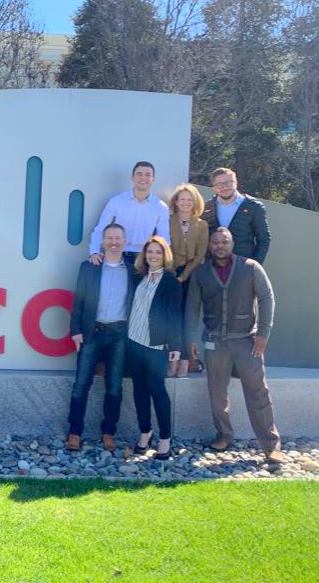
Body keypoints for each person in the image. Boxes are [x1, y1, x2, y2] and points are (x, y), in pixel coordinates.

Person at [185, 227, 286, 464]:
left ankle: (271, 446)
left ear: (232, 244)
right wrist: (190, 338)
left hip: (247, 341)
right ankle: (224, 435)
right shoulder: (200, 273)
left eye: (225, 241)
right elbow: (191, 308)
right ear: (210, 246)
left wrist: (263, 333)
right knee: (217, 393)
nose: (220, 245)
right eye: (216, 242)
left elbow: (266, 298)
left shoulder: (250, 267)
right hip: (214, 343)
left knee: (258, 393)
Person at [66, 223, 136, 452]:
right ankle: (75, 432)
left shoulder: (134, 269)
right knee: (81, 385)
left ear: (124, 241)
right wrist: (75, 330)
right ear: (103, 241)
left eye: (118, 238)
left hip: (119, 334)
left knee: (114, 386)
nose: (114, 242)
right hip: (91, 333)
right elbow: (78, 302)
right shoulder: (89, 267)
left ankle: (108, 433)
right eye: (109, 238)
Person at [127, 236, 182, 460]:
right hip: (133, 341)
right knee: (139, 390)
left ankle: (165, 438)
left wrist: (177, 346)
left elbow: (175, 314)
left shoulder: (170, 281)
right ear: (144, 254)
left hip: (156, 344)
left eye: (158, 252)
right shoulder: (138, 276)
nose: (153, 256)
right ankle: (145, 432)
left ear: (165, 255)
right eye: (150, 252)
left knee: (157, 390)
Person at [88, 161, 170, 268]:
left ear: (153, 179)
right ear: (132, 177)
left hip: (144, 259)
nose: (143, 178)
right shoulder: (116, 202)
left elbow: (164, 239)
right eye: (139, 174)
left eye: (148, 175)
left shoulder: (160, 207)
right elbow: (100, 229)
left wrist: (164, 263)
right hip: (117, 255)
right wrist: (94, 251)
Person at [167, 184, 209, 377]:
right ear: (176, 201)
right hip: (169, 272)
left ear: (195, 203)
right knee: (172, 317)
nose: (185, 202)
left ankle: (185, 359)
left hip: (191, 274)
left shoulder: (201, 225)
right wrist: (172, 272)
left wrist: (183, 276)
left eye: (189, 200)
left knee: (187, 318)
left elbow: (200, 255)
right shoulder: (167, 220)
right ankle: (172, 359)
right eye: (182, 199)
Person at [201, 167, 271, 263]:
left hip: (242, 268)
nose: (225, 187)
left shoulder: (254, 207)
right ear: (213, 187)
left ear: (236, 182)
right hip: (212, 268)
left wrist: (253, 268)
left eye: (228, 182)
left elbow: (263, 240)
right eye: (220, 184)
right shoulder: (205, 208)